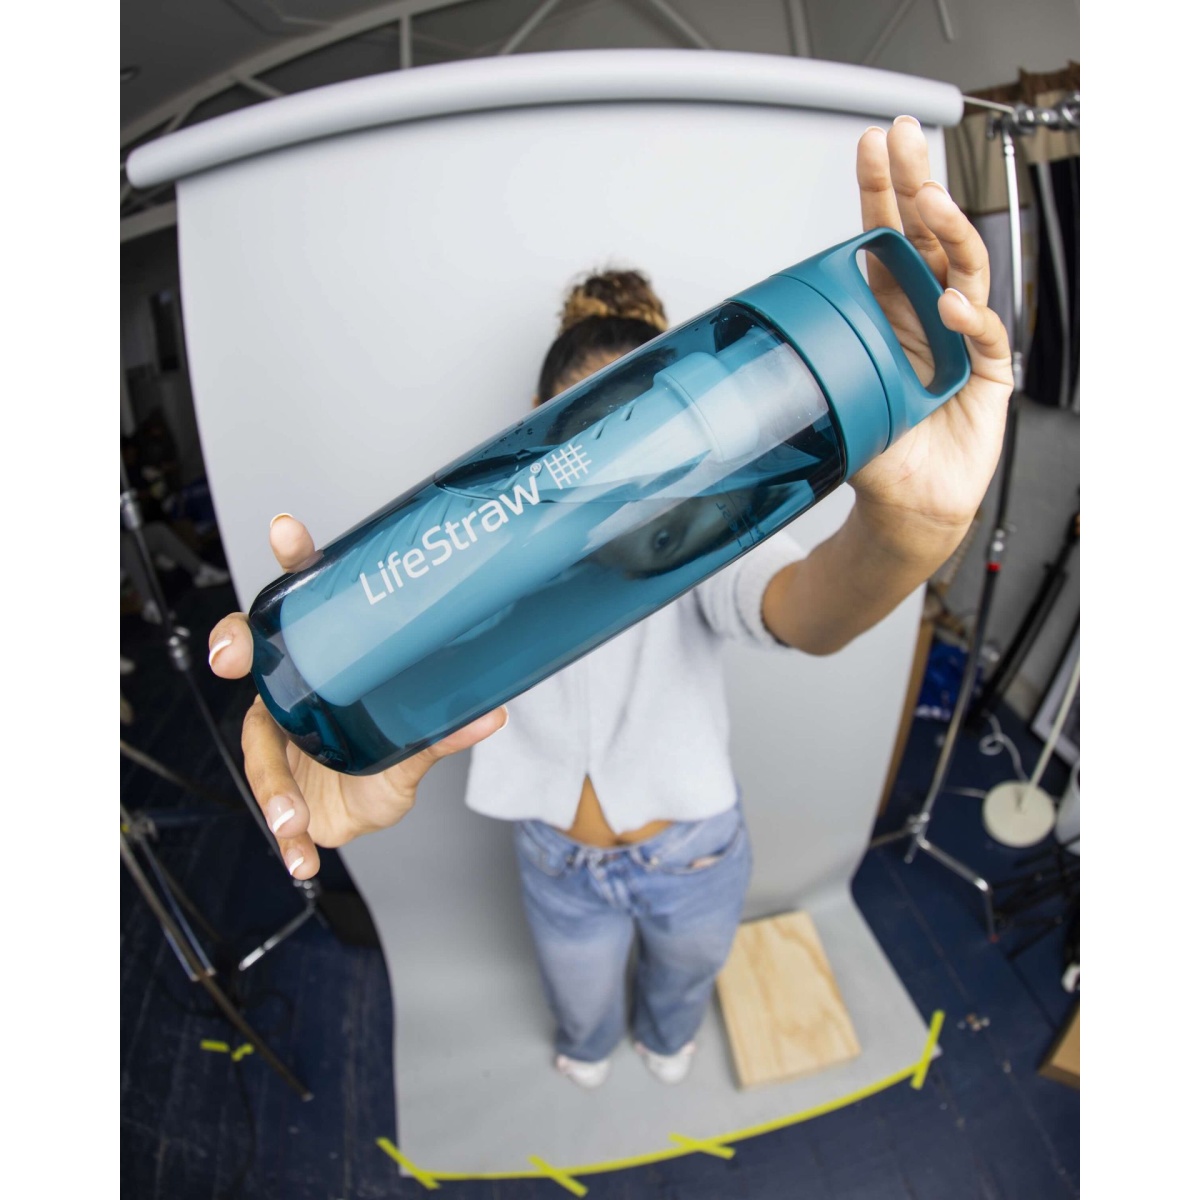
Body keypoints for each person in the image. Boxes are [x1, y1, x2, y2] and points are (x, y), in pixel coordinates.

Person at [206, 119, 1012, 1088]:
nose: (633, 490)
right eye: (600, 449)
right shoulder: (458, 560)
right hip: (555, 864)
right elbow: (370, 658)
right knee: (578, 1012)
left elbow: (808, 611)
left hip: (695, 856)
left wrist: (911, 533)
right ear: (541, 440)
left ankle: (667, 1042)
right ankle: (588, 1049)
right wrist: (343, 657)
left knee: (680, 997)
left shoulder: (715, 532)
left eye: (663, 449)